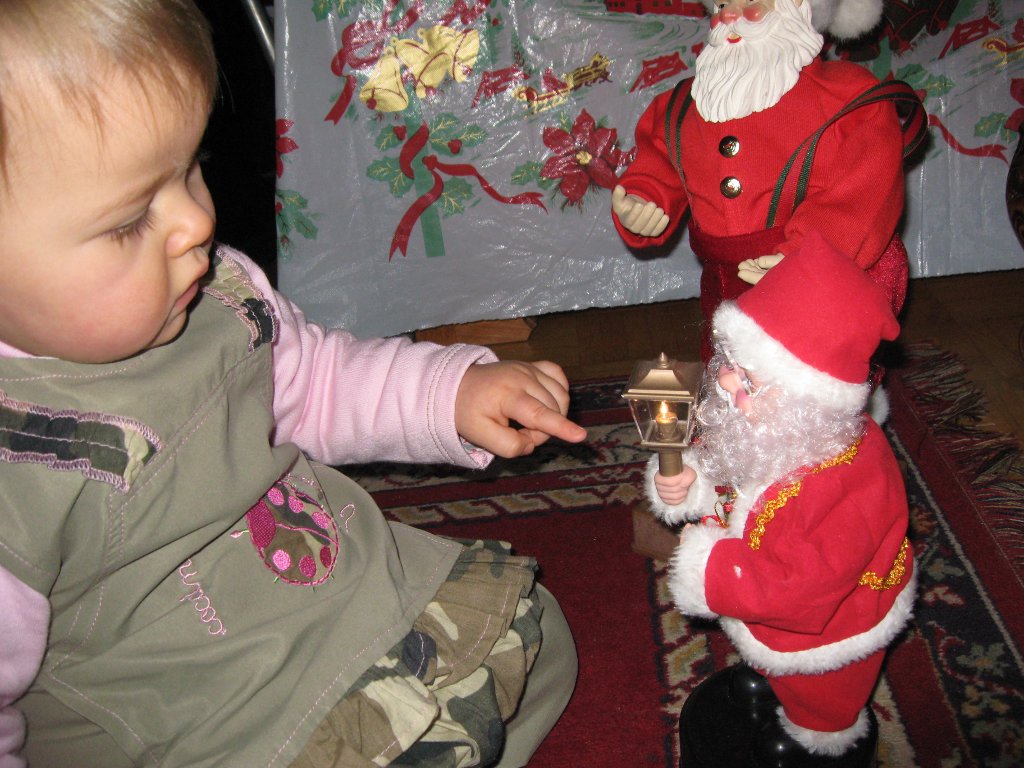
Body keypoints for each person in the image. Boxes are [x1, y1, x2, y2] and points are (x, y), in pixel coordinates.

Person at [0, 2, 589, 766]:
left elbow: (317, 382)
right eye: (128, 221)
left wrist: (452, 393)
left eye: (190, 169)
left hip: (337, 603)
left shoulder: (216, 296)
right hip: (218, 725)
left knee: (542, 640)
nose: (195, 223)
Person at [646, 232, 915, 767]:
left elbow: (804, 588)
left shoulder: (847, 488)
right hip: (772, 593)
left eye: (749, 379)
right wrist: (692, 482)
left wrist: (712, 571)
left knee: (821, 702)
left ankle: (821, 733)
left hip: (832, 624)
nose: (725, 380)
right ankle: (770, 677)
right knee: (771, 666)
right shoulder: (781, 429)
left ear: (807, 399)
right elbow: (735, 473)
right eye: (730, 362)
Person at [610, 0, 924, 365]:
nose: (730, 14)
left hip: (825, 283)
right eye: (722, 3)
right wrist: (643, 198)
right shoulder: (686, 103)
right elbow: (660, 161)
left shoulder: (850, 98)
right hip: (724, 282)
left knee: (812, 374)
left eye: (752, 1)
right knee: (728, 369)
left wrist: (804, 254)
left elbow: (863, 193)